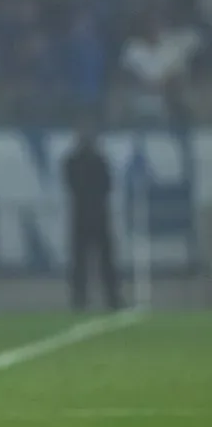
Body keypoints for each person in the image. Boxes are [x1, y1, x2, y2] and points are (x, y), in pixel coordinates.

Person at [62, 123, 121, 310]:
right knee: (92, 260)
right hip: (94, 215)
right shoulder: (96, 161)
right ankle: (102, 298)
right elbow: (107, 185)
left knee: (92, 260)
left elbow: (71, 185)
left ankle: (89, 298)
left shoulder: (74, 161)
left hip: (85, 215)